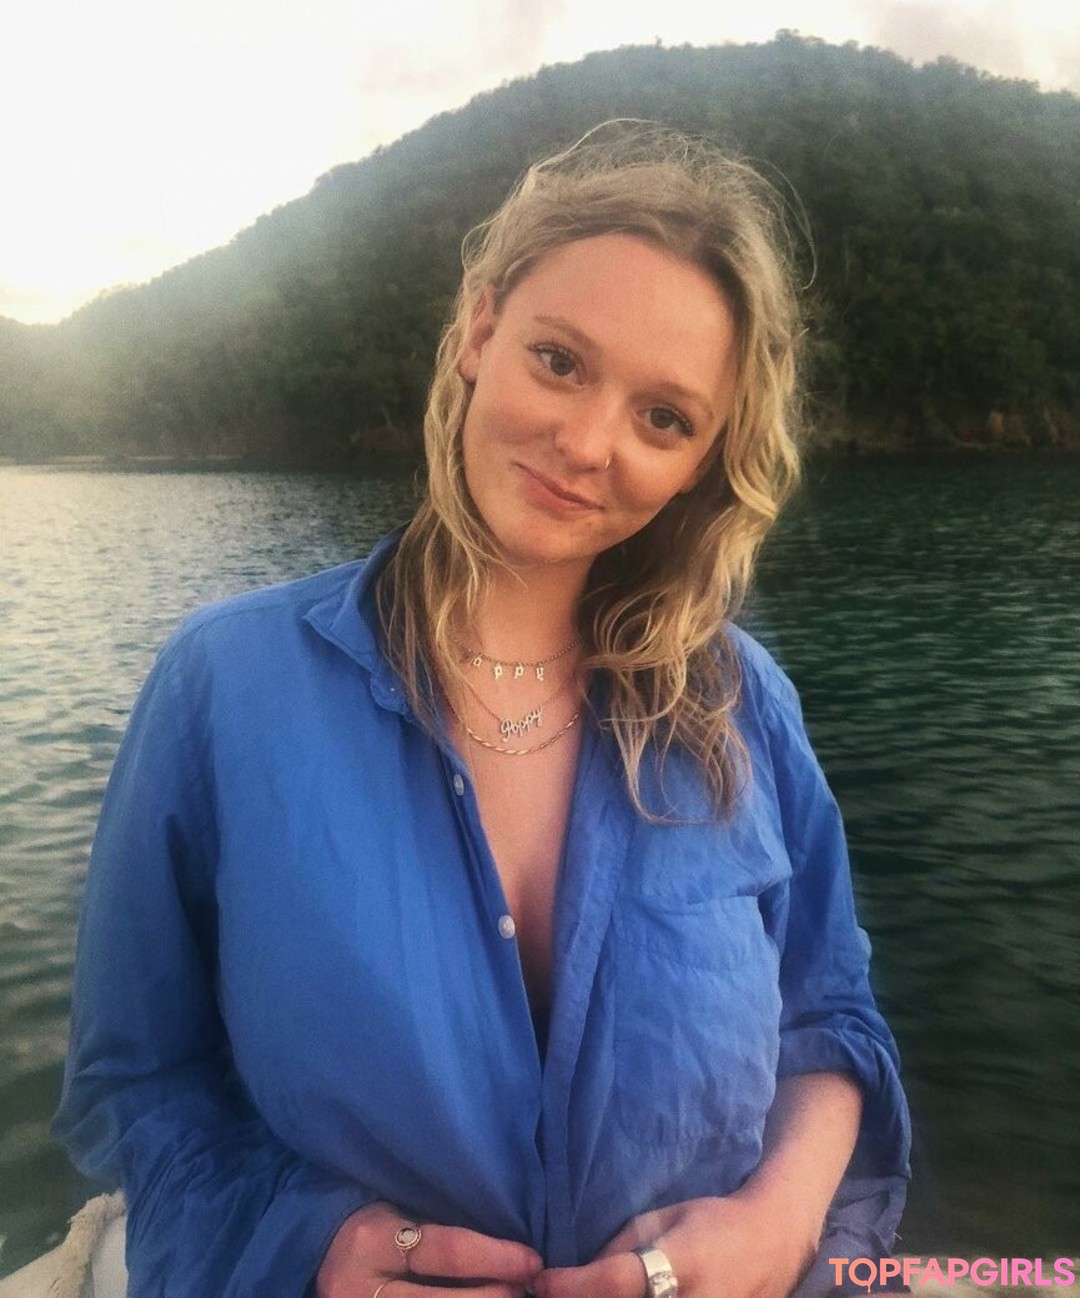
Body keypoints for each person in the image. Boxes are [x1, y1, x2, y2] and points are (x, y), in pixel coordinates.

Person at [53, 123, 910, 1298]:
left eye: (663, 417)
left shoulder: (742, 705)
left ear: (704, 460)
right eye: (559, 360)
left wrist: (779, 1219)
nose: (587, 442)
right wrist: (306, 1245)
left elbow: (831, 1015)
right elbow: (138, 1077)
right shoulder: (224, 685)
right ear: (477, 328)